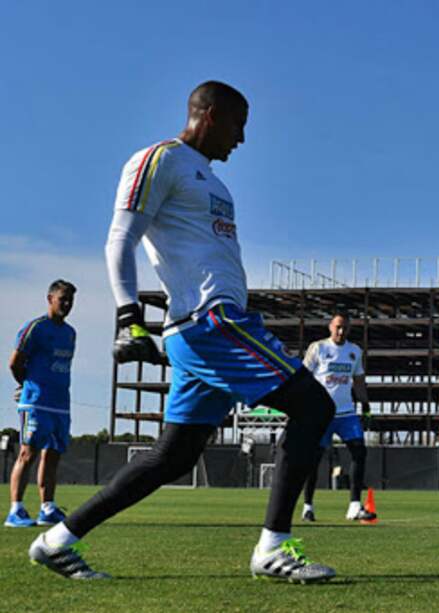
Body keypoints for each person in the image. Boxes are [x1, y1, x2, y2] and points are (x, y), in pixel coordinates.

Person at [28, 81, 337, 582]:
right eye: (238, 125)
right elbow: (120, 237)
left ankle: (56, 540)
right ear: (210, 115)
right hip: (210, 323)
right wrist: (129, 315)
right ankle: (273, 547)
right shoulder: (160, 159)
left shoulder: (214, 184)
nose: (241, 140)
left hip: (206, 326)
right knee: (315, 405)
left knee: (172, 457)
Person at [6, 280, 77, 528]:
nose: (67, 305)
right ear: (50, 299)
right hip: (36, 403)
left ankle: (47, 508)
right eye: (62, 299)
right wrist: (26, 385)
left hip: (61, 404)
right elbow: (15, 363)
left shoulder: (70, 333)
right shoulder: (35, 328)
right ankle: (16, 510)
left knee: (53, 454)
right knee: (28, 452)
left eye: (70, 300)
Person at [301, 313, 375, 522]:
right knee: (314, 460)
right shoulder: (318, 348)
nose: (341, 332)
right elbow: (304, 378)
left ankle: (354, 505)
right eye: (338, 327)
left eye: (345, 328)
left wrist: (366, 407)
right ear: (330, 327)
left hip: (346, 413)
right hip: (321, 414)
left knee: (359, 452)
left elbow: (358, 381)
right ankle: (308, 506)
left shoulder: (354, 351)